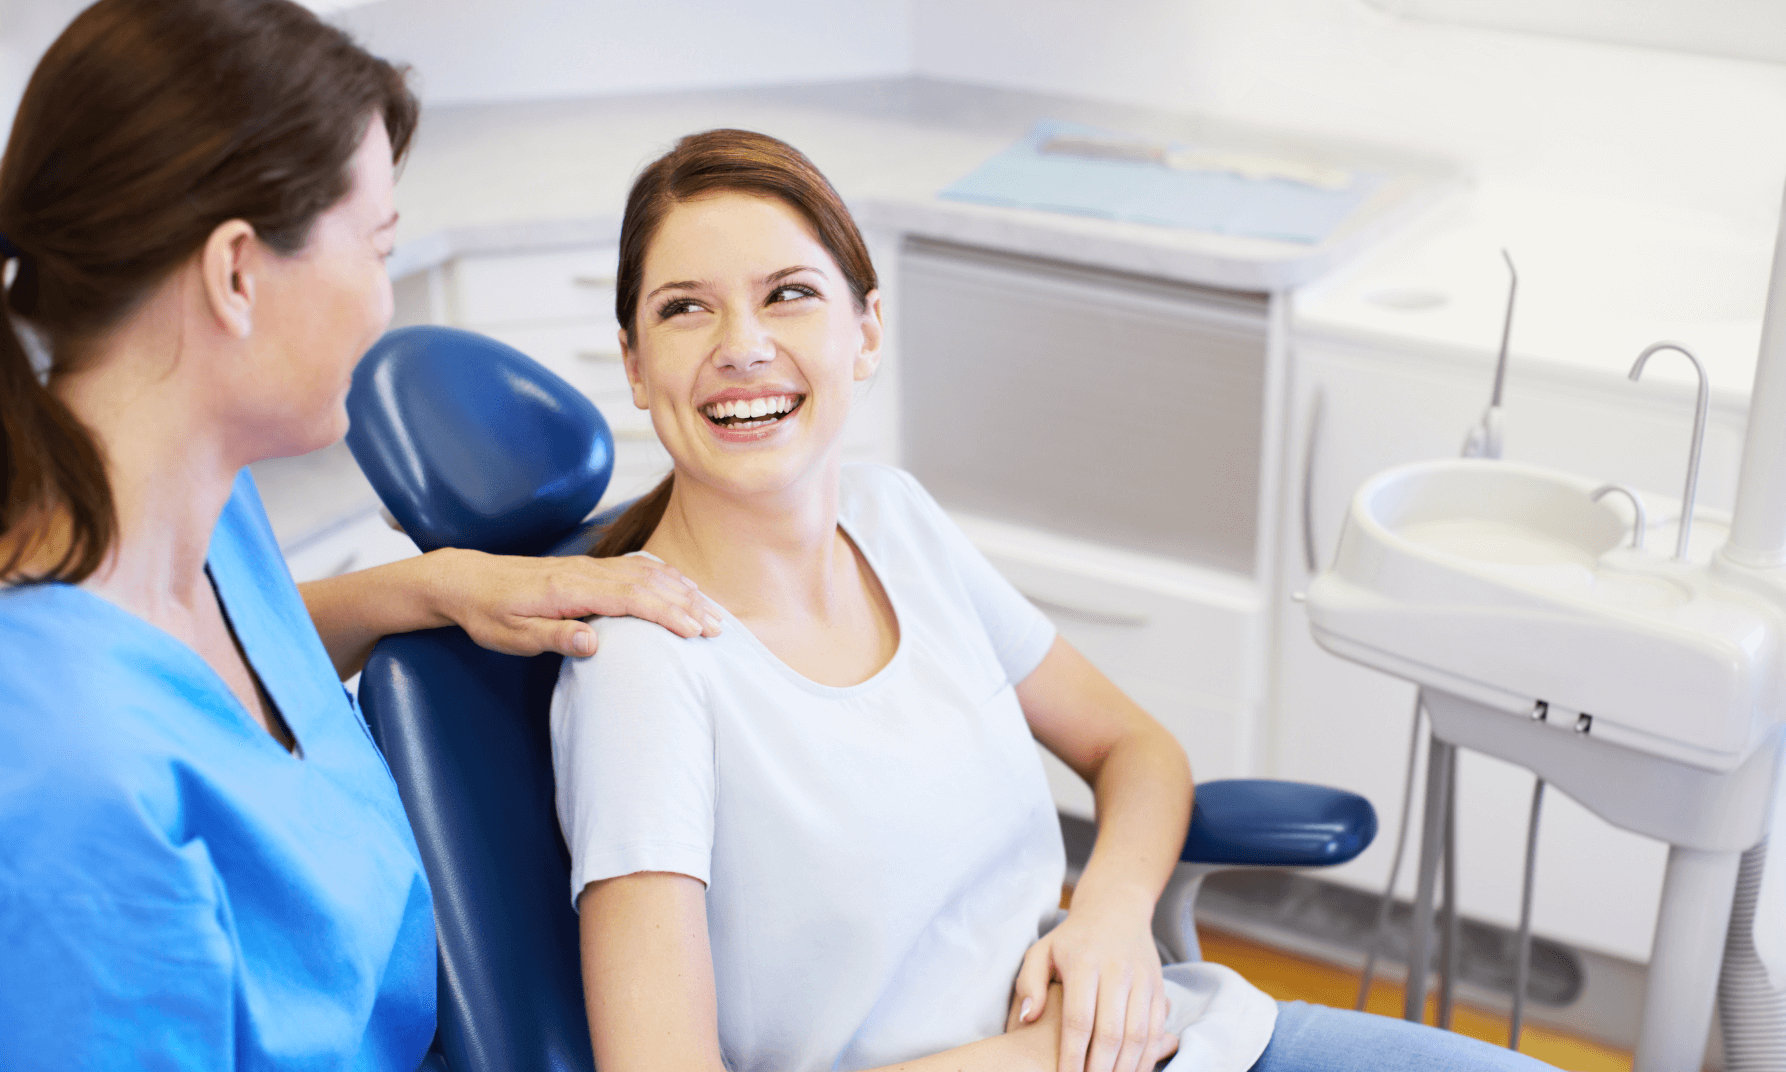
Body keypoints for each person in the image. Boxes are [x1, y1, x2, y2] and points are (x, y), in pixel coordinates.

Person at [551, 128, 1562, 1072]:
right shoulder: (643, 670)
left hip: (1175, 1033)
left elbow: (1136, 746)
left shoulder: (892, 520)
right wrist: (1040, 1054)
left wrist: (1111, 918)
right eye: (685, 307)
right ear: (637, 368)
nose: (741, 344)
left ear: (866, 330)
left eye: (788, 294)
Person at [0, 1, 721, 1066]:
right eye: (377, 246)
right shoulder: (70, 782)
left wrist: (433, 586)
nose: (386, 304)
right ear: (237, 273)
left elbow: (225, 678)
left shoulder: (196, 510)